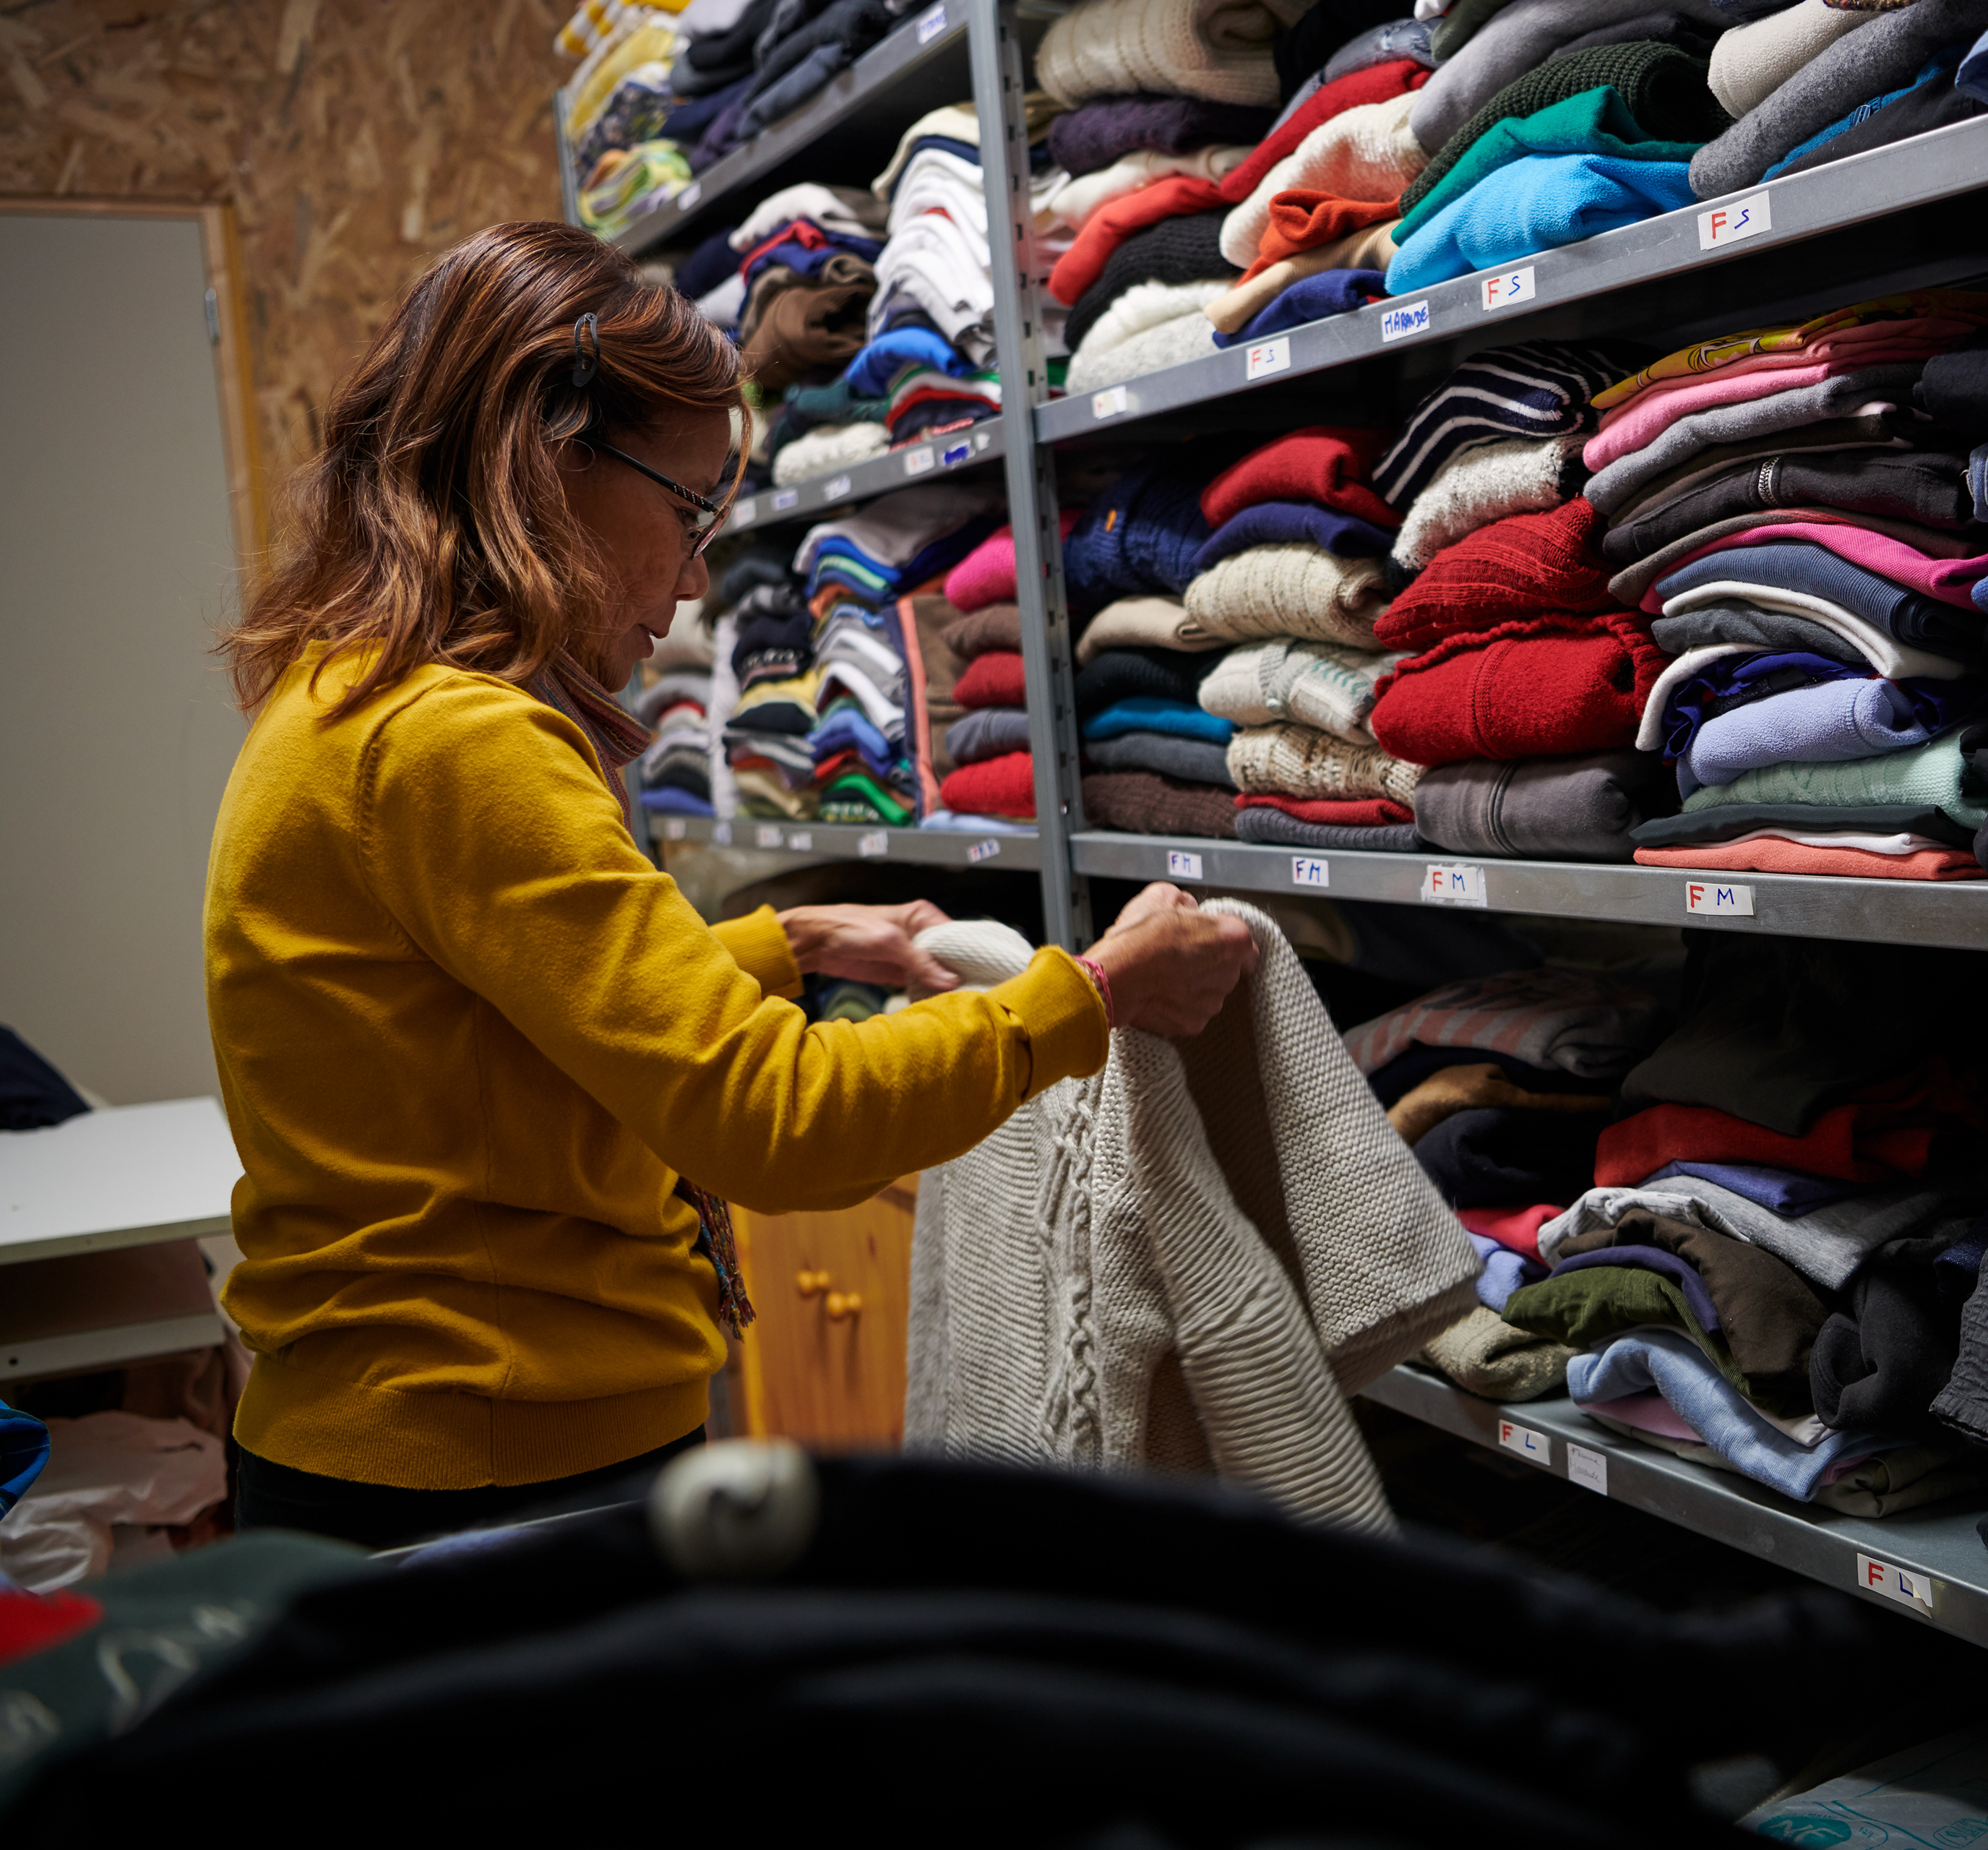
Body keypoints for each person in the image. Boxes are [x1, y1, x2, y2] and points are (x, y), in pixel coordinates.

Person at [205, 221, 1255, 1549]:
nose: (698, 576)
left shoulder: (350, 697)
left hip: (426, 1447)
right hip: (485, 1477)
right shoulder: (457, 740)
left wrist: (790, 941)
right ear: (548, 459)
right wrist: (1094, 994)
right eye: (688, 511)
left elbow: (487, 1022)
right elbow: (774, 1119)